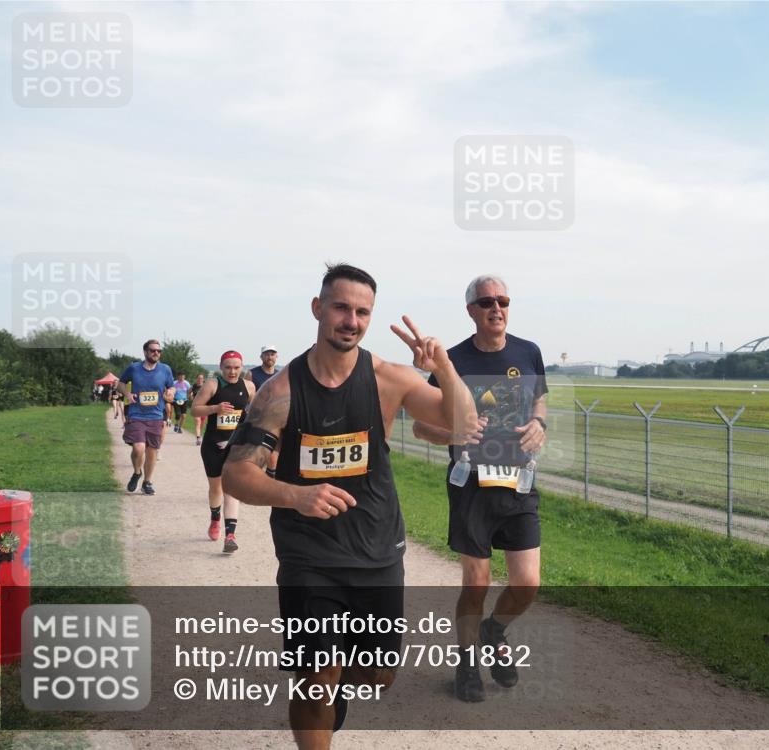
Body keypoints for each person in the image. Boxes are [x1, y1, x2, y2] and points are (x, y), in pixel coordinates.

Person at [222, 263, 476, 749]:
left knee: (378, 675)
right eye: (341, 307)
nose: (351, 320)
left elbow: (463, 426)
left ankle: (334, 693)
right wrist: (295, 495)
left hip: (378, 550)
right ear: (318, 309)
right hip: (309, 555)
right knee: (316, 676)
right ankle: (319, 705)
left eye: (362, 312)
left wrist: (442, 366)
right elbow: (237, 473)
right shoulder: (282, 391)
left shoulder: (389, 380)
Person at [413, 274, 547, 703]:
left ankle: (495, 630)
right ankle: (467, 662)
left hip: (519, 483)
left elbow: (540, 398)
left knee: (527, 584)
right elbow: (420, 425)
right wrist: (453, 434)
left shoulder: (529, 352)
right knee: (477, 581)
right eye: (486, 301)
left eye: (503, 299)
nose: (497, 307)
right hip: (472, 485)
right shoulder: (452, 362)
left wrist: (540, 423)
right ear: (471, 310)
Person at [191, 352, 255, 553]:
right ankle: (215, 517)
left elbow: (255, 412)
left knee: (232, 488)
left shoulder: (249, 387)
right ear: (221, 367)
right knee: (216, 488)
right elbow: (194, 410)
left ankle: (230, 535)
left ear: (242, 367)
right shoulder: (212, 384)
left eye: (236, 367)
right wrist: (215, 408)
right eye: (228, 367)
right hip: (213, 445)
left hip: (235, 447)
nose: (232, 371)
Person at [116, 340, 176, 495]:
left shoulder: (165, 369)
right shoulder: (134, 368)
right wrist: (128, 394)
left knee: (152, 451)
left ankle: (147, 482)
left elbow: (171, 386)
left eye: (159, 351)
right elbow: (120, 384)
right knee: (138, 447)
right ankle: (137, 472)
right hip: (136, 414)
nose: (156, 353)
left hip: (156, 415)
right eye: (153, 350)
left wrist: (171, 392)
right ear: (145, 352)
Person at [250, 345, 281, 476]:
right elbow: (248, 397)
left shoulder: (280, 375)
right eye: (267, 354)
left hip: (276, 419)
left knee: (274, 453)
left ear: (276, 357)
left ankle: (270, 479)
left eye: (272, 354)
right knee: (257, 453)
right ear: (261, 356)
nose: (270, 357)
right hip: (257, 419)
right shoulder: (252, 373)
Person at [191, 373, 206, 446]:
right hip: (196, 407)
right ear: (196, 379)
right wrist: (190, 397)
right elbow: (189, 392)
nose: (200, 380)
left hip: (204, 408)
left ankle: (199, 435)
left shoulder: (206, 387)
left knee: (201, 424)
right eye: (199, 378)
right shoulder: (194, 386)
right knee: (198, 422)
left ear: (203, 379)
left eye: (201, 378)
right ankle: (198, 438)